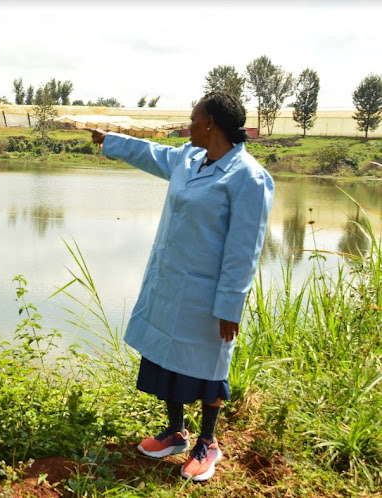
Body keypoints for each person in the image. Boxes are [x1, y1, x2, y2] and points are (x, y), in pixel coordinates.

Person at [87, 91, 274, 481]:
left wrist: (230, 305)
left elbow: (245, 249)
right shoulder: (189, 159)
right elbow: (152, 154)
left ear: (210, 125)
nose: (187, 126)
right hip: (170, 281)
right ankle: (175, 432)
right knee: (166, 356)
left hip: (208, 293)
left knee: (208, 365)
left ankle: (209, 442)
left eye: (193, 120)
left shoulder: (248, 178)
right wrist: (111, 140)